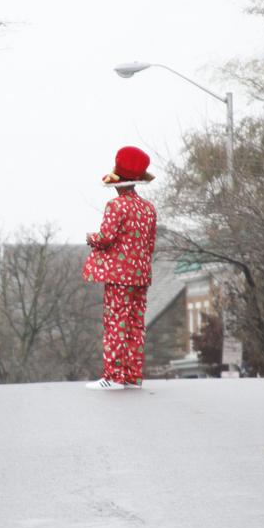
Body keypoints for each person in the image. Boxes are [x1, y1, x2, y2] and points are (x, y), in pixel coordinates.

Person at [83, 146, 158, 390]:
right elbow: (150, 244)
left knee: (116, 323)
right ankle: (132, 377)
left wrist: (91, 237)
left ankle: (113, 377)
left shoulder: (116, 207)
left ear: (119, 183)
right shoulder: (148, 209)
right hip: (141, 275)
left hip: (119, 276)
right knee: (136, 325)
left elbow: (106, 238)